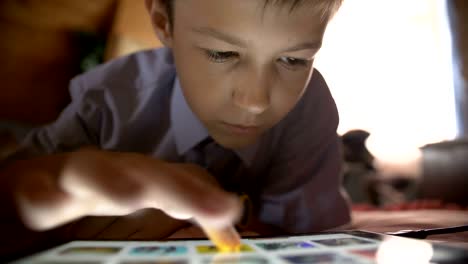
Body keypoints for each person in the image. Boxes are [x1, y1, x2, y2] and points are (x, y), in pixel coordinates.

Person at [0, 0, 350, 254]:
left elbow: (316, 238)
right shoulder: (108, 101)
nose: (255, 100)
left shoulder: (309, 107)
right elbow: (25, 195)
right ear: (164, 23)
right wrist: (21, 200)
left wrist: (234, 216)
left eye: (293, 60)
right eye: (221, 53)